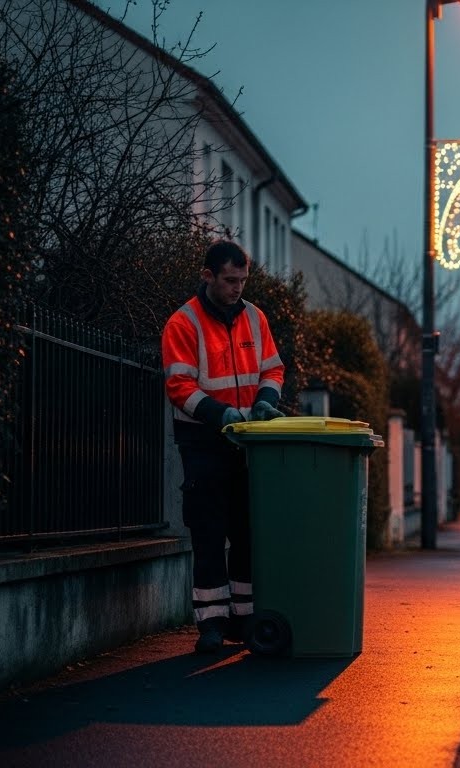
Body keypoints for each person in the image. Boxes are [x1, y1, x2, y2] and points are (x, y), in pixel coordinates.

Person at [162, 240, 286, 654]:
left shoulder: (255, 317)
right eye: (230, 280)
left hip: (248, 443)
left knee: (247, 532)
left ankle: (243, 619)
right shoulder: (183, 323)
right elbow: (179, 386)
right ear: (208, 276)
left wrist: (265, 401)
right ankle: (211, 624)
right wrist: (222, 415)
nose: (237, 288)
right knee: (209, 532)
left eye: (243, 280)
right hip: (203, 442)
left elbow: (273, 369)